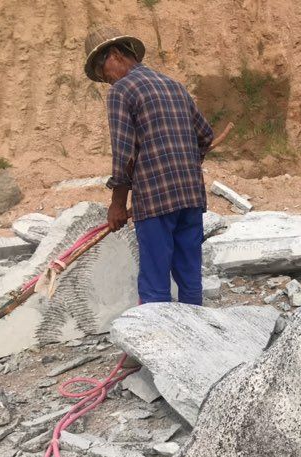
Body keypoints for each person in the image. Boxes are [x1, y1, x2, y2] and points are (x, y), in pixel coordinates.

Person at [84, 26, 214, 305]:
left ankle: (154, 334)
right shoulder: (174, 85)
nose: (107, 81)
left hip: (155, 201)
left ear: (115, 55)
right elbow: (205, 135)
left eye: (103, 72)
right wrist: (187, 163)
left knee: (155, 285)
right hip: (191, 195)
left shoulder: (122, 90)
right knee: (190, 279)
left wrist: (117, 205)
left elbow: (123, 155)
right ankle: (196, 331)